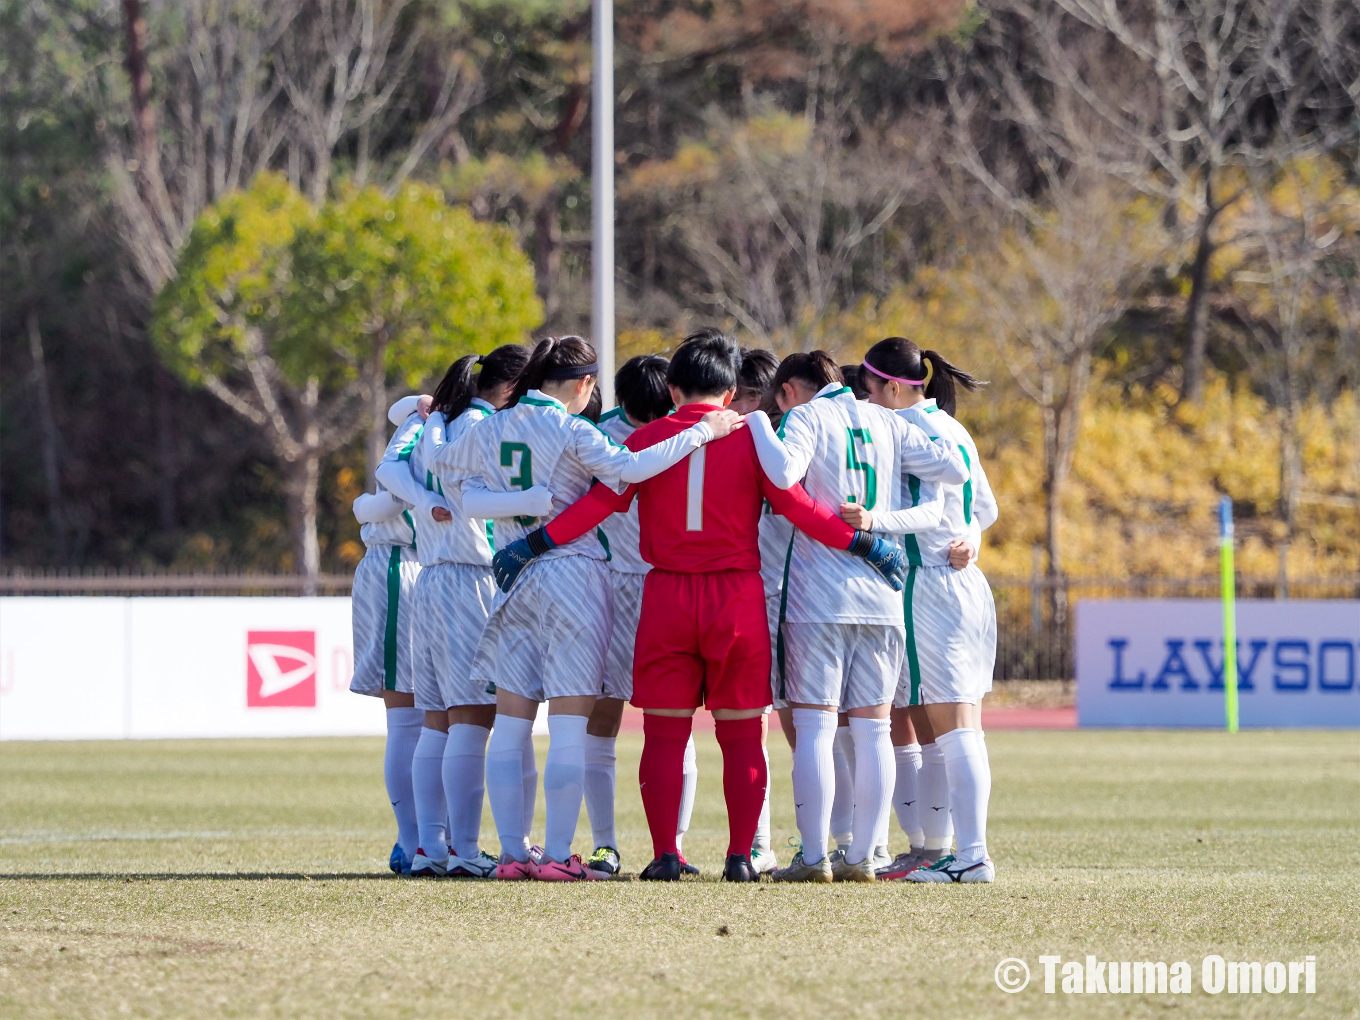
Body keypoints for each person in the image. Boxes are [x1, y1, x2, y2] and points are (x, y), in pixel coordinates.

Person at [492, 329, 908, 882]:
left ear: (671, 388)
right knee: (741, 734)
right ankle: (741, 856)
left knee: (665, 733)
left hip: (666, 594)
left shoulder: (645, 442)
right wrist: (862, 542)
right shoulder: (751, 440)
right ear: (732, 392)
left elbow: (598, 504)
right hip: (735, 596)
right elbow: (800, 506)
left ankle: (666, 853)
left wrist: (534, 544)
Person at [441, 335, 743, 881]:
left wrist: (504, 504)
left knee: (510, 724)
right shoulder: (573, 429)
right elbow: (630, 470)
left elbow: (443, 469)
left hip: (515, 574)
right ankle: (559, 856)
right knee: (570, 725)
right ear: (584, 385)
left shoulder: (490, 426)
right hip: (573, 572)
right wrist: (703, 430)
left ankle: (513, 854)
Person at [745, 351, 968, 882]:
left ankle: (816, 855)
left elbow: (782, 472)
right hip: (883, 595)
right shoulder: (886, 419)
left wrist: (756, 423)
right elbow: (955, 467)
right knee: (872, 733)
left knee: (817, 729)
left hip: (817, 597)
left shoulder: (805, 416)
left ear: (787, 392)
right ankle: (865, 855)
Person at [375, 346, 538, 879]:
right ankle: (466, 851)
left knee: (437, 721)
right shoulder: (486, 429)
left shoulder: (435, 423)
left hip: (431, 577)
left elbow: (390, 467)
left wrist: (422, 499)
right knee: (474, 716)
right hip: (474, 577)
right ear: (511, 389)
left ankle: (430, 847)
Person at [849, 337, 999, 884]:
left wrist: (869, 520)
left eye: (866, 387)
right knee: (941, 728)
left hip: (929, 584)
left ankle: (972, 855)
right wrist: (973, 542)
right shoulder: (954, 428)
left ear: (892, 386)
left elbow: (936, 508)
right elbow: (985, 508)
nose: (860, 397)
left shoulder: (907, 429)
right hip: (963, 582)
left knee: (953, 727)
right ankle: (940, 851)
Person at [581, 354, 692, 877]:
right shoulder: (596, 436)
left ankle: (674, 846)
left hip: (667, 583)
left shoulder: (688, 431)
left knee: (675, 720)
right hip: (607, 584)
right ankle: (606, 845)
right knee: (602, 715)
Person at [349, 394, 430, 875]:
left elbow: (376, 502)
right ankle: (412, 840)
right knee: (409, 713)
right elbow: (388, 495)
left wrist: (363, 506)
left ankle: (429, 838)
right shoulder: (431, 425)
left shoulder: (448, 425)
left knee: (435, 717)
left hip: (429, 567)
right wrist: (366, 507)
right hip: (403, 563)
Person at [730, 347, 784, 875]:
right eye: (737, 394)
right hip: (748, 596)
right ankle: (759, 842)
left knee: (814, 726)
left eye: (751, 396)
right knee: (754, 724)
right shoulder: (724, 441)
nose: (742, 405)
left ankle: (844, 841)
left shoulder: (785, 444)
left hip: (794, 595)